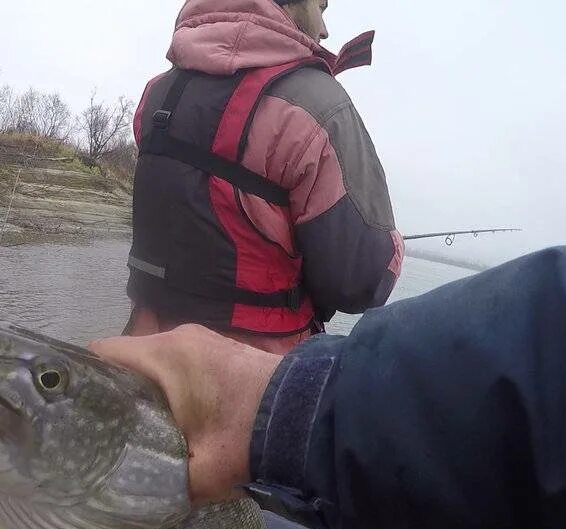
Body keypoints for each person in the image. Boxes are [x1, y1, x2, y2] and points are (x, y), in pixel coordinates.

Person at [91, 247, 566, 529]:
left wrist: (292, 404)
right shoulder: (320, 114)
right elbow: (360, 278)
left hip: (165, 370)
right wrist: (389, 252)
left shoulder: (156, 105)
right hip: (244, 383)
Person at [127, 0, 403, 354]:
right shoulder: (320, 105)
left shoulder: (156, 93)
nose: (324, 29)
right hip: (250, 375)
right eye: (321, 6)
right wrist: (394, 245)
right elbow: (358, 282)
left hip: (143, 349)